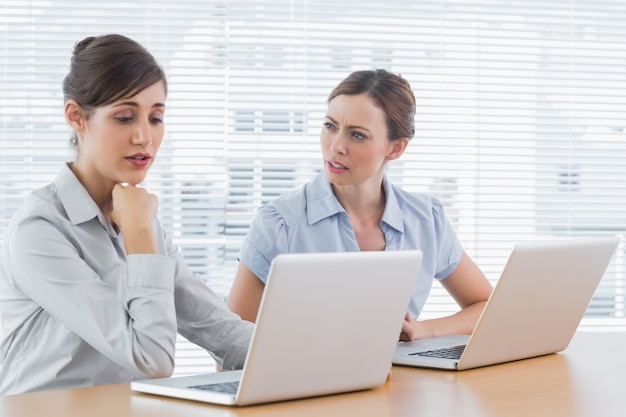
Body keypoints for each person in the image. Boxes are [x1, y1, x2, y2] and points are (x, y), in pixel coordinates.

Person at [0, 34, 253, 396]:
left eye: (156, 117)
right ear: (76, 117)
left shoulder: (138, 216)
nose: (144, 137)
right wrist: (138, 235)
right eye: (124, 117)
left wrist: (307, 360)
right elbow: (151, 359)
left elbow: (219, 330)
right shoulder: (38, 231)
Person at [227, 69, 493, 342]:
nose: (336, 147)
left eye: (357, 135)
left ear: (396, 148)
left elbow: (487, 308)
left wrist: (425, 330)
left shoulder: (426, 219)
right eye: (330, 126)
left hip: (403, 382)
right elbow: (231, 350)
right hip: (306, 383)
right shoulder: (279, 225)